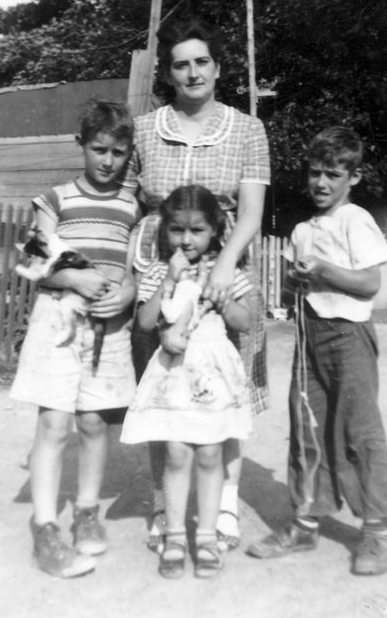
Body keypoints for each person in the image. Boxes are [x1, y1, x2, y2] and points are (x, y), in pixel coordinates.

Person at [120, 17, 271, 553]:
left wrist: (226, 266)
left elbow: (250, 211)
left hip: (225, 262)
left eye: (201, 61)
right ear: (168, 72)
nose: (192, 72)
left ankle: (223, 507)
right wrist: (133, 273)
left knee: (226, 390)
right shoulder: (143, 128)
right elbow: (128, 203)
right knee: (163, 387)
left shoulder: (248, 128)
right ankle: (166, 506)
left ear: (218, 68)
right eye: (181, 64)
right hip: (159, 271)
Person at [247, 126, 387, 575]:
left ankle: (375, 534)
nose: (321, 183)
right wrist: (297, 279)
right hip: (309, 334)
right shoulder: (301, 230)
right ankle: (304, 523)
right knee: (306, 424)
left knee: (358, 429)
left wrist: (327, 271)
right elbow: (301, 283)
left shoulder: (356, 219)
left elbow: (370, 282)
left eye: (333, 174)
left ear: (353, 177)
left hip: (349, 336)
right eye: (315, 173)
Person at [10, 100, 141, 578]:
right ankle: (45, 526)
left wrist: (125, 294)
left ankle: (87, 510)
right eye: (99, 149)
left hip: (110, 325)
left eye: (119, 152)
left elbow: (134, 268)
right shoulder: (57, 199)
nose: (108, 161)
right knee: (54, 424)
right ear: (81, 145)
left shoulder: (133, 204)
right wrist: (73, 281)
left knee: (92, 423)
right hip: (59, 321)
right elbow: (31, 260)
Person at [121, 184, 254, 578]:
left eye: (197, 231)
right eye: (177, 230)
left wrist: (223, 297)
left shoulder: (227, 271)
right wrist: (167, 283)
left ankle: (208, 535)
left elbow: (246, 322)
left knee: (211, 452)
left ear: (214, 230)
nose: (186, 239)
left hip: (211, 377)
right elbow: (144, 324)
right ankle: (175, 534)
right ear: (166, 231)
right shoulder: (162, 270)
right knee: (177, 452)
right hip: (174, 378)